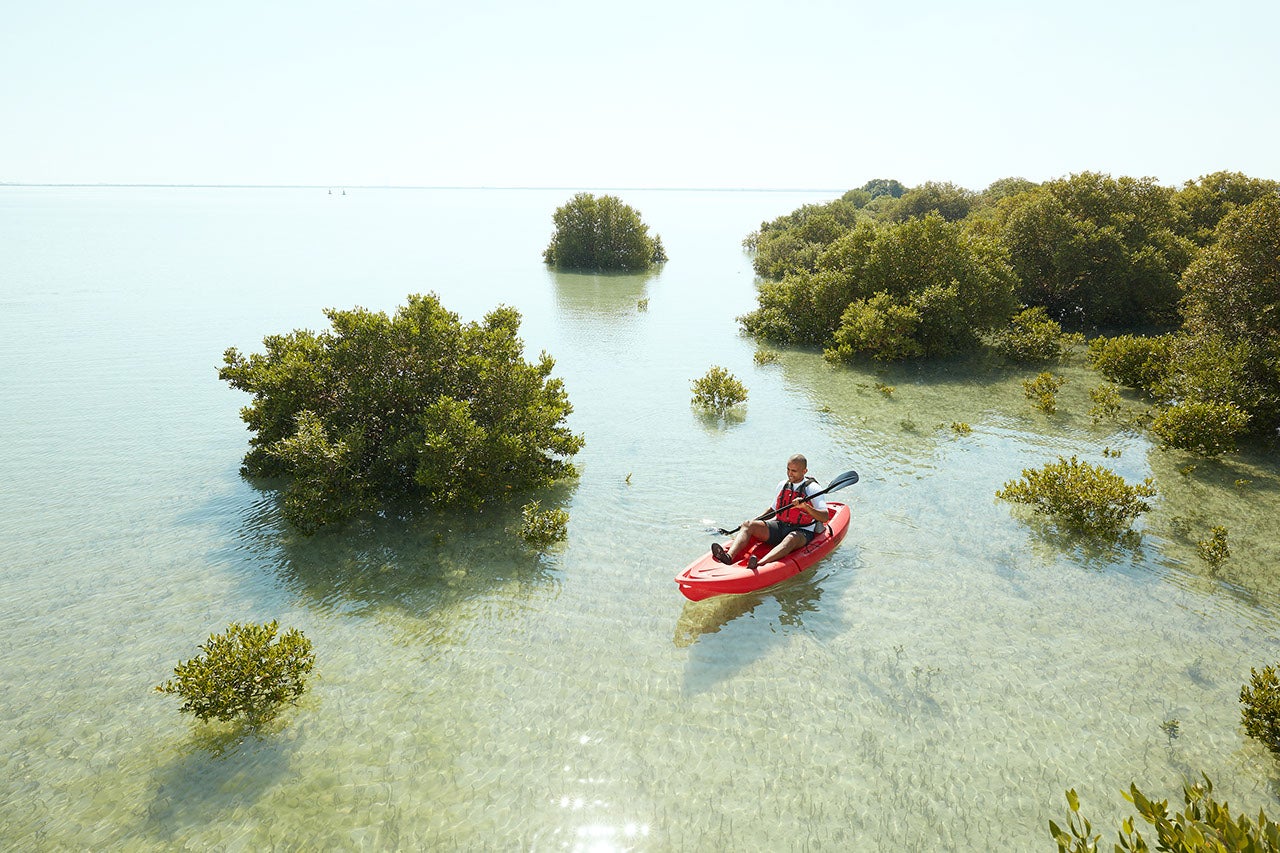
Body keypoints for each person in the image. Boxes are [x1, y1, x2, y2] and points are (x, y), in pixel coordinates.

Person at [711, 454, 830, 571]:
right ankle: (728, 556)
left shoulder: (813, 489)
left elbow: (825, 517)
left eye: (794, 471)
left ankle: (759, 564)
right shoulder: (783, 485)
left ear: (805, 471)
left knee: (791, 538)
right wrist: (754, 522)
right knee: (748, 524)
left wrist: (805, 507)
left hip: (802, 531)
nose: (789, 473)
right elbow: (773, 510)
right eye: (788, 469)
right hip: (780, 526)